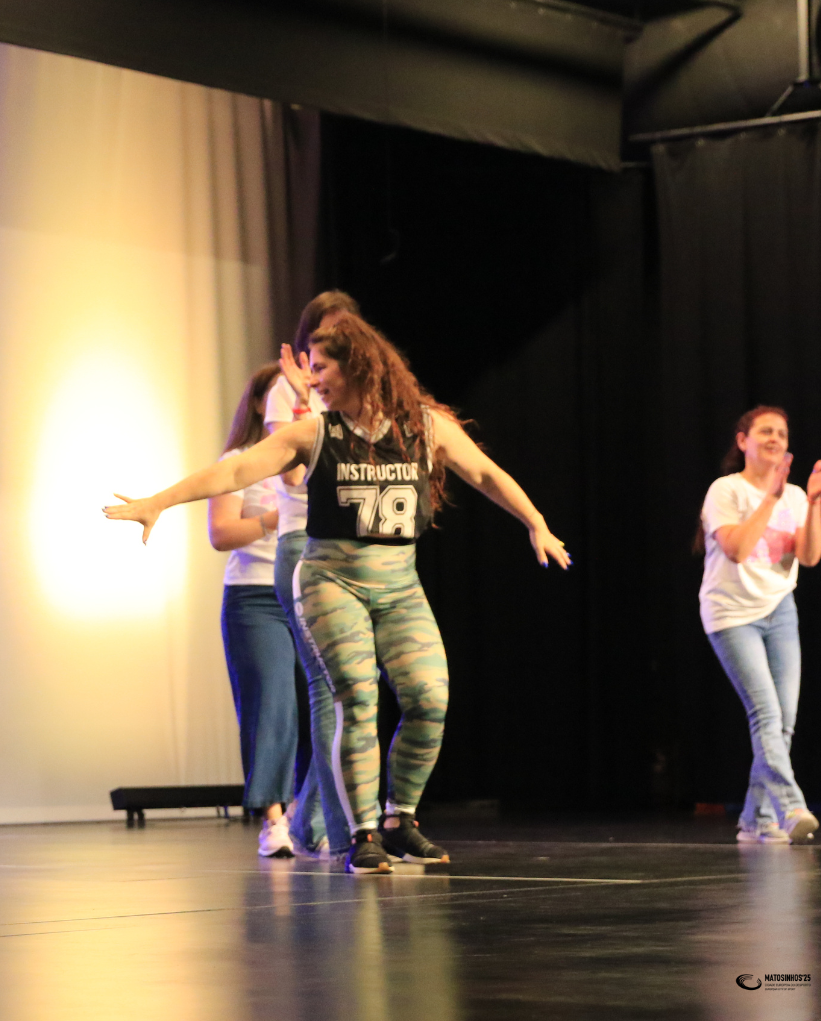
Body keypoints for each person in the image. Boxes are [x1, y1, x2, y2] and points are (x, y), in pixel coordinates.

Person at [107, 315, 570, 874]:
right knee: (357, 698)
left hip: (399, 585)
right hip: (330, 581)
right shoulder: (314, 433)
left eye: (322, 367)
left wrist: (535, 523)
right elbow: (235, 473)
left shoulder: (425, 428)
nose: (313, 379)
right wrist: (159, 501)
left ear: (359, 367)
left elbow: (486, 474)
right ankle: (362, 833)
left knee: (430, 698)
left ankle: (400, 819)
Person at [696, 406, 821, 844]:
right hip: (732, 614)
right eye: (765, 431)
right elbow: (737, 550)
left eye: (781, 433)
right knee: (766, 713)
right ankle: (791, 806)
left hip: (780, 609)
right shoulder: (725, 490)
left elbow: (809, 557)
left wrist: (812, 502)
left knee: (785, 721)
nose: (776, 438)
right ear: (743, 441)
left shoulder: (794, 495)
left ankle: (756, 819)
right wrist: (770, 498)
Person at [266, 291, 361, 860]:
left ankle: (309, 821)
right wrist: (305, 404)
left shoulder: (356, 396)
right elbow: (294, 478)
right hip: (304, 544)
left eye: (345, 332)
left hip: (350, 549)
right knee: (330, 691)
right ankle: (344, 831)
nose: (334, 343)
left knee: (350, 689)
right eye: (325, 334)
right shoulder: (287, 392)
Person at [210, 364, 302, 858]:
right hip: (256, 597)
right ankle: (274, 820)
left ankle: (318, 815)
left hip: (311, 594)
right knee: (271, 703)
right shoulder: (239, 461)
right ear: (261, 405)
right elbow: (221, 533)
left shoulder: (316, 457)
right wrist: (273, 517)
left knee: (329, 703)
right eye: (279, 393)